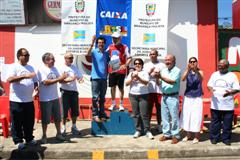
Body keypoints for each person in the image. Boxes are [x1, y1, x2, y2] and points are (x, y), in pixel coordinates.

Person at [7, 48, 38, 150]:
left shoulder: (31, 67)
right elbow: (10, 79)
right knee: (17, 122)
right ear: (19, 56)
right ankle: (18, 141)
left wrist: (36, 86)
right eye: (25, 55)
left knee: (29, 121)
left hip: (29, 100)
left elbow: (34, 80)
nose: (27, 57)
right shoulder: (14, 66)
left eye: (28, 55)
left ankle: (29, 138)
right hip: (17, 100)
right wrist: (25, 76)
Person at [207, 59, 239, 146]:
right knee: (215, 122)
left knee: (227, 123)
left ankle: (226, 139)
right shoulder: (214, 74)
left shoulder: (232, 76)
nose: (219, 66)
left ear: (227, 66)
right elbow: (209, 85)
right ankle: (214, 138)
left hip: (228, 105)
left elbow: (237, 88)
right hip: (215, 105)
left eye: (222, 65)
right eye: (219, 65)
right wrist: (211, 89)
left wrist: (230, 93)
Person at [37, 53, 67, 144]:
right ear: (46, 61)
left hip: (55, 97)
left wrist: (68, 78)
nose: (54, 61)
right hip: (45, 99)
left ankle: (58, 134)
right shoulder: (41, 70)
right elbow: (46, 82)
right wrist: (60, 78)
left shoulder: (54, 69)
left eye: (53, 59)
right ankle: (44, 135)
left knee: (57, 118)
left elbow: (60, 79)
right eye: (51, 59)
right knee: (45, 119)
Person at [126, 58, 154, 139]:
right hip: (133, 95)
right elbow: (127, 84)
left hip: (143, 95)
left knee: (144, 114)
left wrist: (138, 78)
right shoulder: (131, 73)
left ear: (142, 65)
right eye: (136, 64)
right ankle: (138, 130)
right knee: (135, 114)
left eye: (139, 63)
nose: (137, 65)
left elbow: (146, 83)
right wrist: (132, 78)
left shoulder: (145, 73)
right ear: (134, 65)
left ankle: (147, 131)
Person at [180, 57, 204, 144]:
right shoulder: (188, 71)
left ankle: (197, 136)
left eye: (194, 62)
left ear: (197, 63)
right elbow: (182, 79)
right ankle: (188, 134)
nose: (192, 63)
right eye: (191, 62)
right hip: (188, 97)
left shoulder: (200, 71)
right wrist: (188, 69)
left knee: (196, 116)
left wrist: (196, 70)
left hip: (197, 97)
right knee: (187, 115)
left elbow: (201, 79)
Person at [158, 54, 181, 144]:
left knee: (174, 117)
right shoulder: (163, 71)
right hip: (164, 96)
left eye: (169, 60)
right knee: (165, 117)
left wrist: (160, 77)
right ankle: (167, 134)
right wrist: (157, 78)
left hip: (173, 96)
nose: (167, 61)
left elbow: (172, 82)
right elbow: (159, 83)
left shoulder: (177, 70)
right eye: (166, 60)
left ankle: (176, 135)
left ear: (174, 61)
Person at [60, 52, 83, 135]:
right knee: (64, 111)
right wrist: (70, 79)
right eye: (69, 58)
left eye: (72, 58)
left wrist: (80, 80)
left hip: (74, 92)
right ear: (65, 58)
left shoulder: (74, 68)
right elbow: (60, 80)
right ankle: (63, 128)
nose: (71, 59)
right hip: (65, 91)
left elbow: (79, 77)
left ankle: (74, 126)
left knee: (75, 111)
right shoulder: (61, 68)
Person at [87, 35, 110, 122]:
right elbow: (87, 53)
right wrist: (92, 43)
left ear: (104, 44)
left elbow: (110, 64)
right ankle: (95, 114)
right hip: (95, 78)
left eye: (102, 43)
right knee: (95, 97)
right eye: (99, 42)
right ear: (97, 43)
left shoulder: (106, 53)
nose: (101, 44)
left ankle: (102, 113)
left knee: (102, 98)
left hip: (104, 78)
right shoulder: (94, 52)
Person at [108, 32, 132, 111]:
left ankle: (121, 104)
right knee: (112, 87)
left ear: (120, 38)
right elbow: (105, 56)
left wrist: (125, 65)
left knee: (121, 88)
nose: (114, 39)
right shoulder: (110, 46)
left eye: (116, 38)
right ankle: (113, 104)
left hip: (121, 71)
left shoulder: (124, 47)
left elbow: (129, 58)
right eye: (113, 38)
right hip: (112, 70)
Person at [144, 49, 165, 133]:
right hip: (149, 89)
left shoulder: (162, 65)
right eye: (151, 54)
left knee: (159, 108)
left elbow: (163, 77)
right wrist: (149, 72)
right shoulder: (146, 65)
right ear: (149, 55)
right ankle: (147, 126)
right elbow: (144, 77)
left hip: (159, 89)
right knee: (148, 108)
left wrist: (158, 76)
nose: (152, 55)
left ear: (157, 55)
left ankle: (159, 125)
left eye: (154, 54)